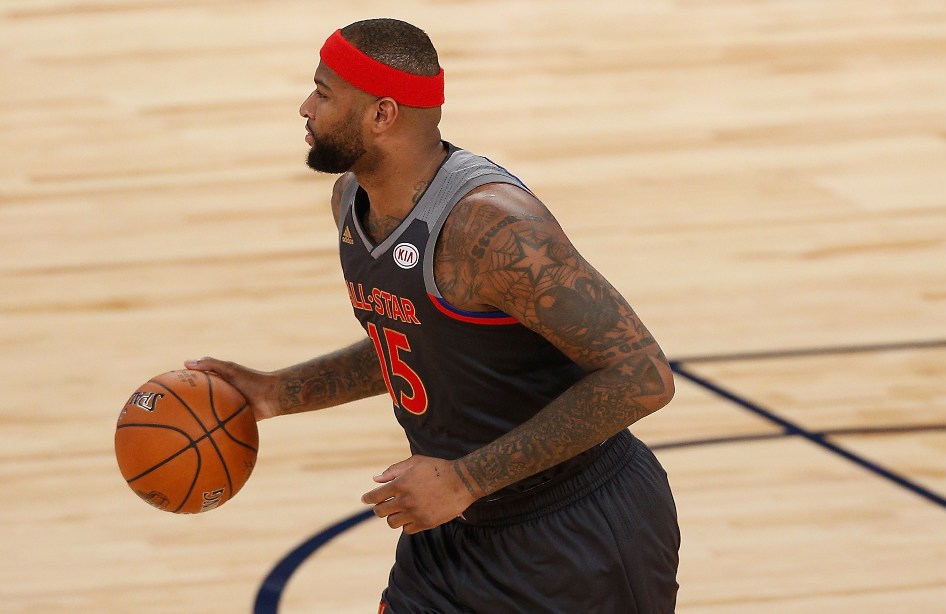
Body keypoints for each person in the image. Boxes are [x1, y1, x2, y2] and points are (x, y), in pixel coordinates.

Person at [186, 17, 680, 613]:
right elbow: (423, 339)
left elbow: (643, 377)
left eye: (322, 91)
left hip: (575, 535)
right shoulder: (352, 201)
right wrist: (275, 392)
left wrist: (466, 479)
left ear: (382, 113)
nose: (305, 108)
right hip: (453, 533)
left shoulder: (492, 226)